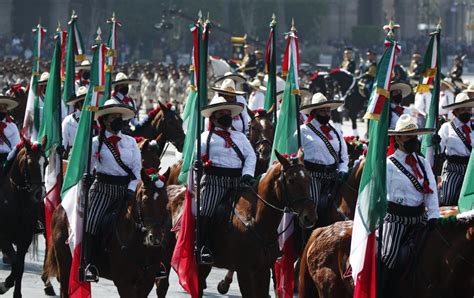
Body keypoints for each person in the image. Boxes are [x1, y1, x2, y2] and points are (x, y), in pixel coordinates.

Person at [382, 114, 439, 298]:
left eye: (415, 136)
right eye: (408, 136)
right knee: (389, 256)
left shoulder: (422, 163)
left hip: (419, 219)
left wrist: (433, 216)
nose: (413, 140)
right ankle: (384, 291)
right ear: (397, 139)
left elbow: (431, 192)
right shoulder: (388, 165)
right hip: (395, 220)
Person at [84, 99, 141, 281]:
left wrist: (132, 190)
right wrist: (85, 176)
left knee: (148, 220)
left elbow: (136, 170)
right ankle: (89, 263)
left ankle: (151, 262)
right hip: (103, 189)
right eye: (114, 117)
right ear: (106, 120)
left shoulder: (131, 142)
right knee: (91, 222)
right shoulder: (95, 142)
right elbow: (88, 166)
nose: (118, 120)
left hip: (127, 190)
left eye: (120, 117)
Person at [199, 96, 256, 264]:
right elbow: (196, 158)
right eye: (222, 113)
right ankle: (203, 246)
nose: (226, 116)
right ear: (214, 117)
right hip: (214, 181)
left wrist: (248, 173)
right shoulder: (204, 137)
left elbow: (251, 156)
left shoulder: (240, 137)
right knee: (206, 209)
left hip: (238, 181)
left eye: (228, 113)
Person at [298, 93, 348, 222]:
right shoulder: (302, 130)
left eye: (328, 110)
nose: (326, 113)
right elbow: (295, 154)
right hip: (312, 176)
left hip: (333, 176)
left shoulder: (336, 131)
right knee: (313, 208)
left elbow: (343, 156)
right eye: (322, 110)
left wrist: (343, 170)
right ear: (314, 112)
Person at [438, 92, 474, 206]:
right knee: (447, 197)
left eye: (469, 109)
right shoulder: (447, 127)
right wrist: (434, 142)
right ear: (456, 111)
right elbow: (438, 149)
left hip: (471, 167)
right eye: (463, 110)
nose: (467, 112)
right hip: (453, 167)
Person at [61, 86, 87, 157]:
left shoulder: (95, 119)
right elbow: (64, 143)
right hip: (74, 156)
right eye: (83, 102)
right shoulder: (68, 121)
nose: (86, 105)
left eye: (88, 102)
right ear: (78, 104)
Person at [0, 93, 20, 168]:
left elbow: (16, 146)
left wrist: (9, 159)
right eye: (1, 106)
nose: (3, 109)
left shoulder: (12, 126)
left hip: (8, 159)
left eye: (5, 107)